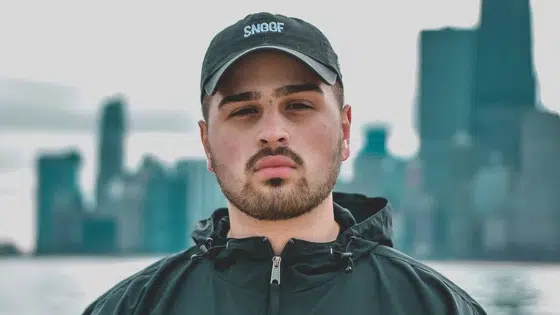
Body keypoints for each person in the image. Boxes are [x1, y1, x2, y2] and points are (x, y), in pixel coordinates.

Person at [82, 12, 487, 315]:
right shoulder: (131, 308)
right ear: (206, 143)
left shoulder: (436, 307)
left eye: (298, 105)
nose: (273, 131)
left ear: (345, 130)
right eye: (244, 111)